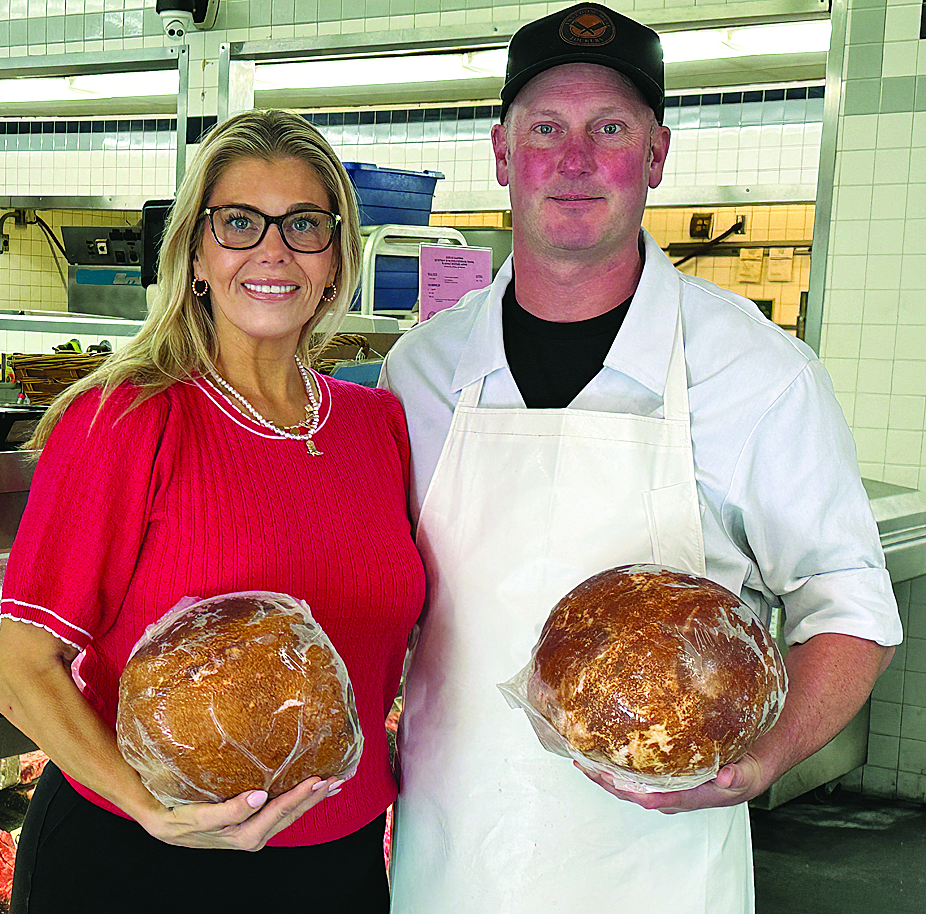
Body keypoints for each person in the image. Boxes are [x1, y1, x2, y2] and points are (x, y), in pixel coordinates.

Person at [381, 4, 903, 912]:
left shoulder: (756, 372)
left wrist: (764, 761)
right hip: (450, 853)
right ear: (502, 154)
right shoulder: (420, 368)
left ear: (655, 156)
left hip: (659, 867)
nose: (573, 159)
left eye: (608, 129)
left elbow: (849, 600)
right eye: (545, 128)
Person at [0, 108, 425, 913]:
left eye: (303, 224)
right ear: (196, 254)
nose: (272, 251)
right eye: (237, 223)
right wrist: (150, 807)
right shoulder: (125, 418)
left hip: (339, 862)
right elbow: (20, 673)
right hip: (144, 864)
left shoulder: (379, 426)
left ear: (336, 260)